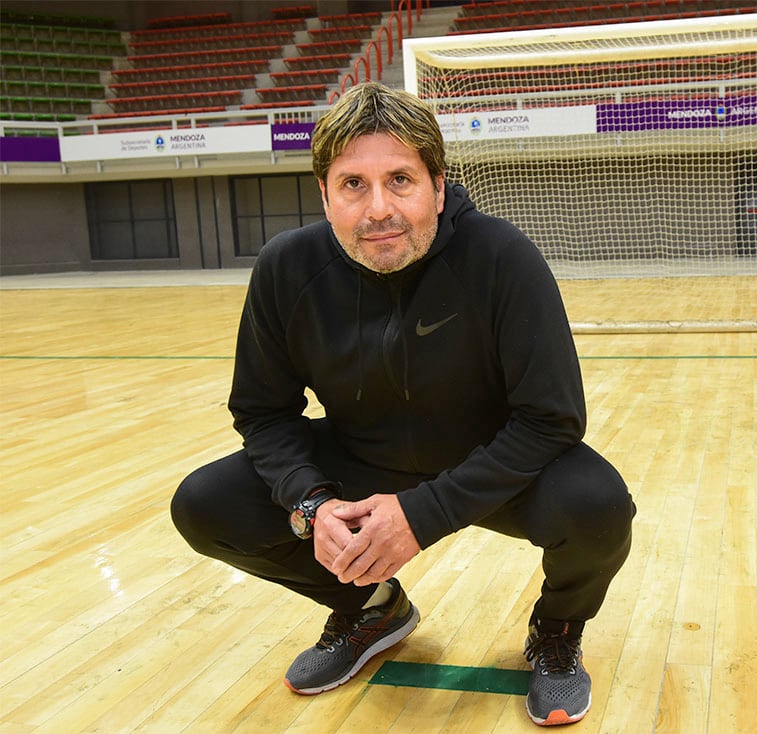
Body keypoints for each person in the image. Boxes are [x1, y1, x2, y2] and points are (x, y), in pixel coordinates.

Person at [171, 81, 634, 727]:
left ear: (438, 188)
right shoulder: (287, 267)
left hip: (495, 463)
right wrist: (311, 502)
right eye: (353, 184)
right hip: (362, 455)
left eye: (400, 180)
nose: (378, 208)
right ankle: (371, 608)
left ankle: (556, 629)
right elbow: (264, 412)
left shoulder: (502, 257)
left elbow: (551, 418)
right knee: (205, 504)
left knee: (599, 506)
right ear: (326, 194)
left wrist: (423, 513)